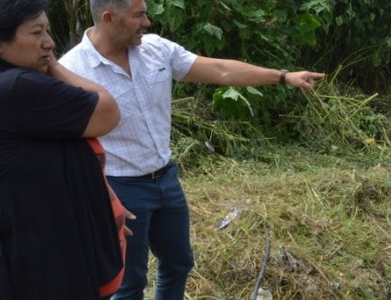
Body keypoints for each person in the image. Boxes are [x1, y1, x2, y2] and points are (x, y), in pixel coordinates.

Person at [59, 0, 325, 299]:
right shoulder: (71, 70)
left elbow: (220, 70)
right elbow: (63, 143)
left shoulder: (155, 49)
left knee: (179, 262)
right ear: (109, 18)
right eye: (138, 15)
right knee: (129, 281)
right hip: (120, 187)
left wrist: (283, 76)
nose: (147, 22)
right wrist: (97, 196)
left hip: (166, 178)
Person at [0, 0, 127, 298]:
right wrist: (52, 64)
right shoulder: (15, 86)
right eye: (37, 32)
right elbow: (107, 112)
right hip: (44, 261)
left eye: (48, 31)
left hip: (26, 248)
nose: (49, 42)